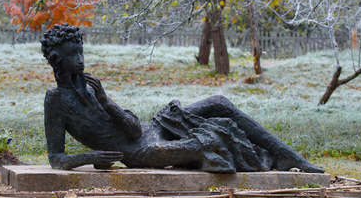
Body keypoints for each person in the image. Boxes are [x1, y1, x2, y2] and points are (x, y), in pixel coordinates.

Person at [41, 24, 324, 174]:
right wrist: (92, 157)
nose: (80, 60)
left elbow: (134, 128)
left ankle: (288, 155)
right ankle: (259, 158)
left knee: (219, 102)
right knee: (213, 137)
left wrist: (105, 101)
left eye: (82, 52)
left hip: (148, 130)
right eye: (73, 55)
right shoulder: (55, 100)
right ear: (56, 59)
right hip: (141, 153)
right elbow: (56, 159)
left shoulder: (92, 88)